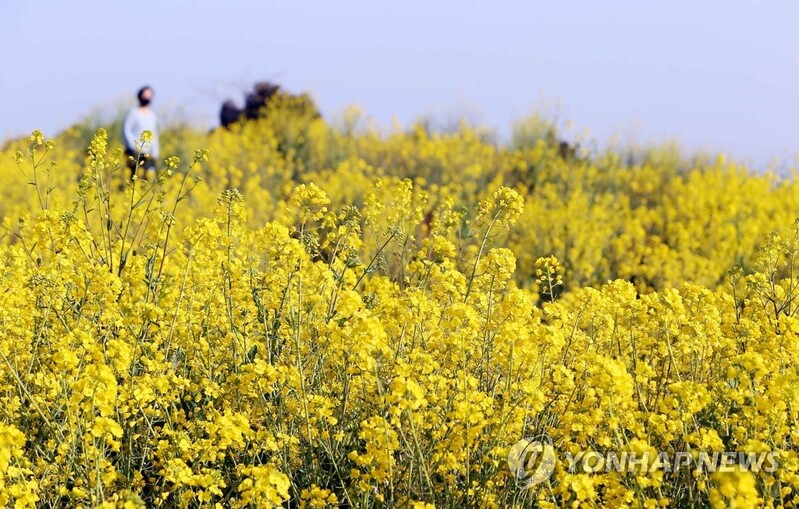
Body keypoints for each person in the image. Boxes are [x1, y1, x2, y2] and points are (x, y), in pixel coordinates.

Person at [122, 86, 159, 179]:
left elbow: (154, 134)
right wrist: (133, 146)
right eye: (145, 95)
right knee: (132, 178)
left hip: (147, 153)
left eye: (149, 95)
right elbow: (126, 130)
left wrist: (155, 152)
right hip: (133, 152)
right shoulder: (133, 112)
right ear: (139, 96)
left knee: (145, 179)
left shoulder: (152, 115)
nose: (147, 97)